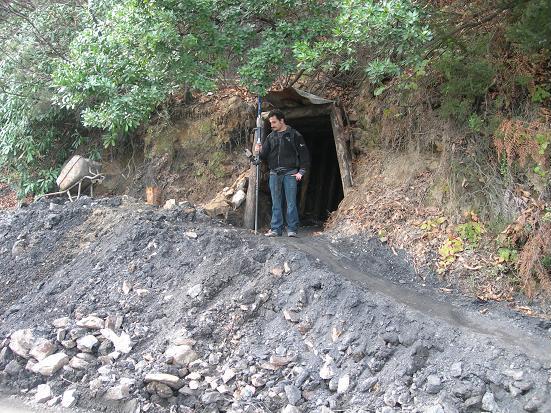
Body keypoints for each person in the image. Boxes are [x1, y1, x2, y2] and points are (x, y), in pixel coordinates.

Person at [255, 109, 310, 237]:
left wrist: (301, 172)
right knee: (276, 202)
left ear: (282, 120)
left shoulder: (295, 135)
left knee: (291, 202)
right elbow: (263, 156)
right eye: (270, 123)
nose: (272, 125)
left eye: (274, 122)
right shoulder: (270, 137)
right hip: (274, 173)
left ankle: (292, 229)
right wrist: (258, 150)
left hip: (290, 173)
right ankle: (276, 229)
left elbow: (305, 156)